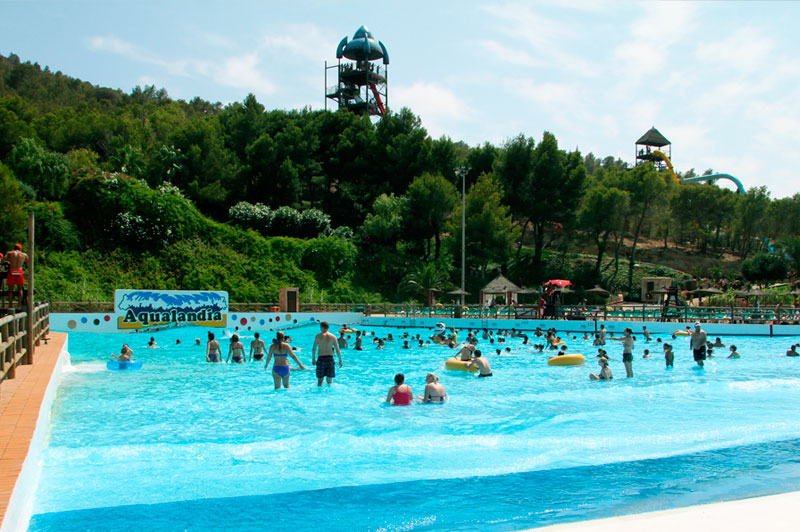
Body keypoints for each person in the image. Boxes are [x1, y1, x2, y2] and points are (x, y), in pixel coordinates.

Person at [312, 321, 343, 386]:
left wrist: (313, 358)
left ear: (322, 327)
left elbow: (314, 349)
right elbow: (337, 349)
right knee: (329, 381)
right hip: (330, 359)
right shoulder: (333, 336)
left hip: (321, 358)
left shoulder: (318, 336)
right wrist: (340, 360)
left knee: (320, 381)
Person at [5, 244, 28, 309]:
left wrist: (8, 262)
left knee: (10, 290)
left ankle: (11, 305)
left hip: (12, 271)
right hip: (19, 271)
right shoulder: (24, 254)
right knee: (20, 289)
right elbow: (28, 263)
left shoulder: (10, 253)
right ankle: (19, 305)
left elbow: (3, 260)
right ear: (20, 249)